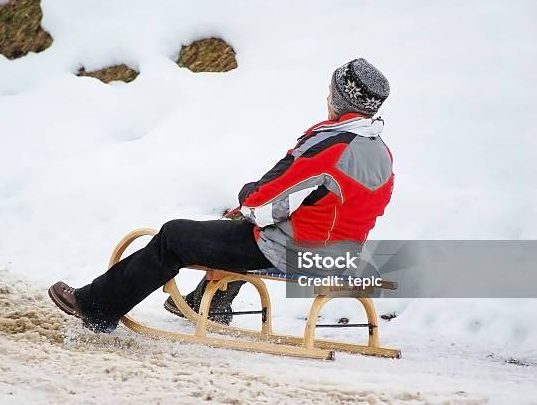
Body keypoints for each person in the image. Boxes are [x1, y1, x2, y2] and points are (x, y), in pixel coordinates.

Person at [48, 58, 394, 332]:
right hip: (338, 252)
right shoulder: (379, 151)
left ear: (340, 97)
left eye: (330, 90)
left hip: (294, 250)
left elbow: (263, 202)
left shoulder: (331, 147)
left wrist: (247, 201)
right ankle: (208, 304)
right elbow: (335, 204)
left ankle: (96, 306)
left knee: (175, 235)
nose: (327, 96)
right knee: (232, 233)